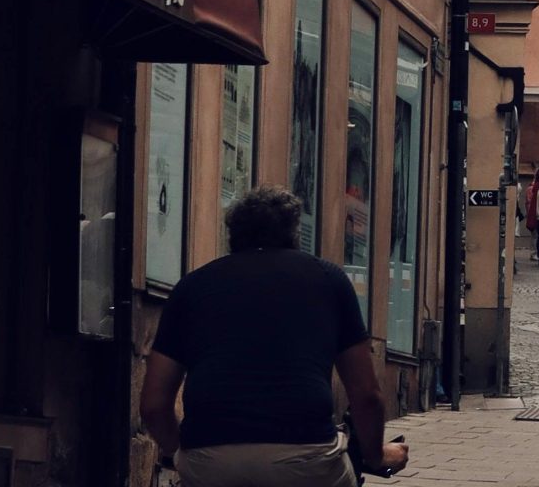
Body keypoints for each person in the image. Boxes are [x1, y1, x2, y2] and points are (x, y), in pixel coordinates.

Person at [140, 184, 408, 485]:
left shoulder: (191, 287)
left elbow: (153, 404)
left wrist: (179, 451)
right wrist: (375, 456)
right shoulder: (329, 281)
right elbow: (367, 396)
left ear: (233, 235)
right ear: (293, 234)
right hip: (305, 457)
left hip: (211, 458)